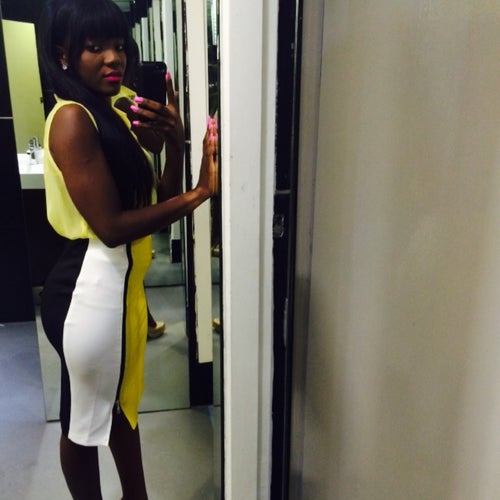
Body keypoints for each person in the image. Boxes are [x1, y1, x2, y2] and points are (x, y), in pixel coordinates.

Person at [37, 0, 218, 498]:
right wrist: (200, 194)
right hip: (90, 289)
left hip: (121, 289)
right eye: (95, 47)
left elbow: (156, 202)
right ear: (64, 55)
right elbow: (113, 227)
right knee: (83, 423)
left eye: (119, 45)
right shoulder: (73, 119)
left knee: (120, 408)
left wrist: (175, 142)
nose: (113, 58)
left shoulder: (117, 106)